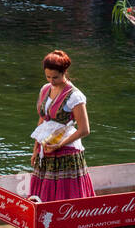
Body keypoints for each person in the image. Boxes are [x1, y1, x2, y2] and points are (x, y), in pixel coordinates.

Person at [29, 50, 96, 201]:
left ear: (64, 72)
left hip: (66, 150)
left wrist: (59, 145)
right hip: (45, 147)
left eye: (55, 77)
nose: (51, 81)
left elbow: (84, 130)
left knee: (64, 191)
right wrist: (35, 149)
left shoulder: (74, 96)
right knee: (45, 189)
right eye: (48, 77)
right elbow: (42, 121)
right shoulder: (45, 89)